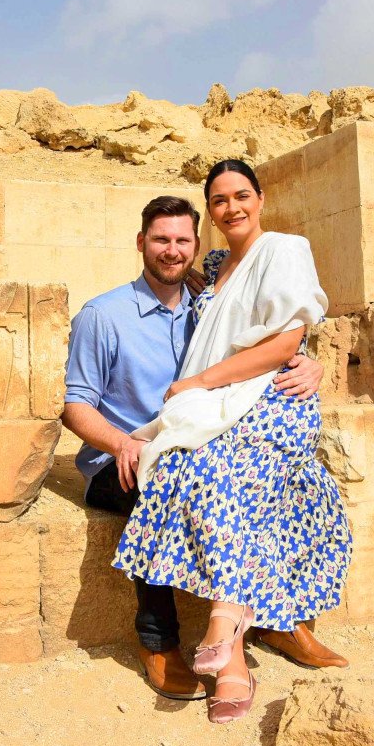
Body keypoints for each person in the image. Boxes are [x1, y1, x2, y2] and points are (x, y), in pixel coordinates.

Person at [62, 195, 343, 702]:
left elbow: (265, 347)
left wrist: (307, 362)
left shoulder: (207, 306)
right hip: (122, 456)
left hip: (196, 446)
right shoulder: (103, 315)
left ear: (196, 247)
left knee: (279, 477)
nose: (171, 251)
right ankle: (159, 642)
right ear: (141, 243)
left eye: (181, 241)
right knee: (162, 489)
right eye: (160, 240)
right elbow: (75, 407)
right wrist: (123, 443)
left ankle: (277, 620)